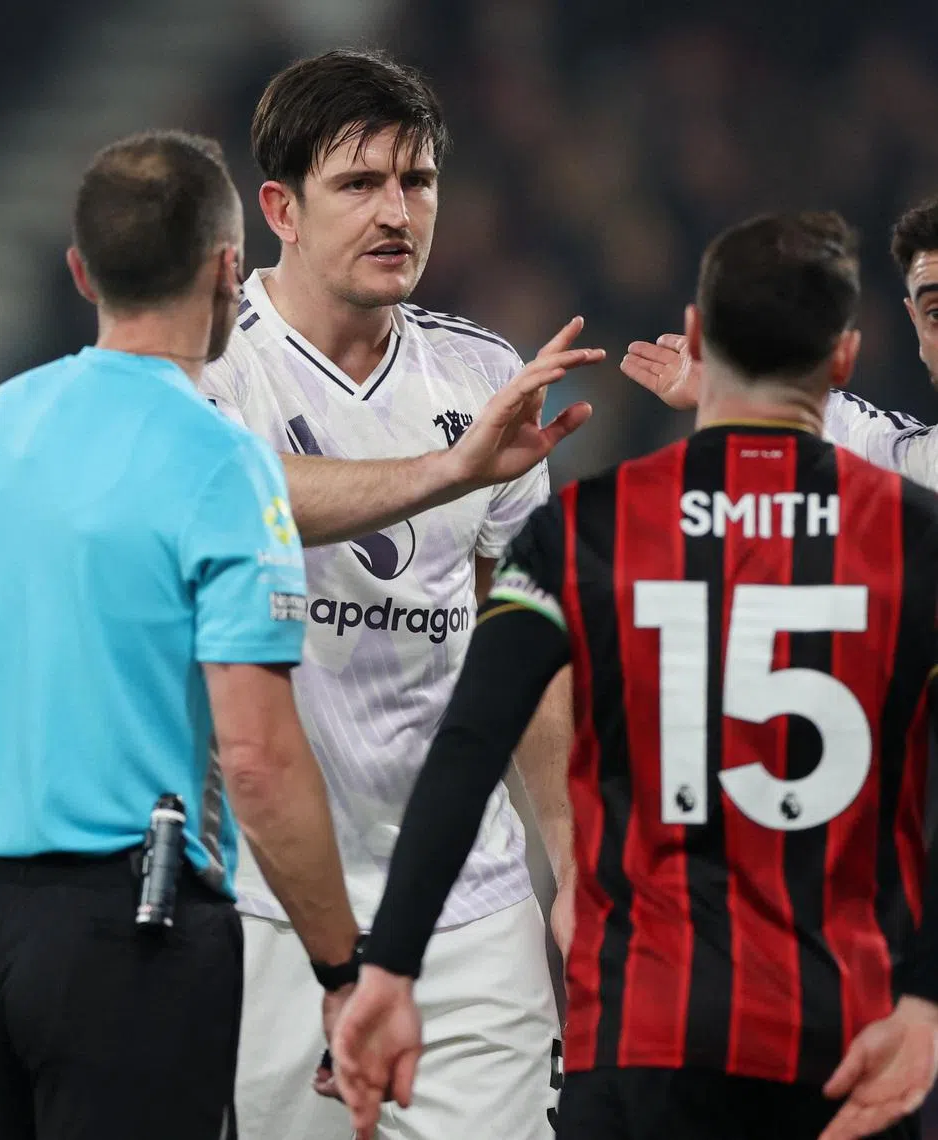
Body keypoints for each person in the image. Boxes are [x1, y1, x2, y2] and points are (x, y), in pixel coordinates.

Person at [333, 211, 938, 1140]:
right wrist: (928, 996)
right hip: (846, 1041)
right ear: (847, 360)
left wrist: (389, 968)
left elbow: (469, 742)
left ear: (696, 340)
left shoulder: (581, 533)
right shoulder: (918, 540)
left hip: (642, 1036)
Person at [0, 129, 361, 1140]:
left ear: (81, 270)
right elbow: (256, 757)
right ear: (230, 268)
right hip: (129, 937)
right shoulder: (222, 466)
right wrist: (341, 969)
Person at [199, 48, 605, 1140]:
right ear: (279, 205)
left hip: (466, 907)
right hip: (272, 903)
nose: (397, 213)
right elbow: (240, 497)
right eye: (361, 184)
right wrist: (448, 472)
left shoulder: (479, 376)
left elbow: (522, 639)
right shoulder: (210, 365)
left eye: (416, 183)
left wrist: (566, 855)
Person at [621, 196, 938, 491]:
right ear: (917, 324)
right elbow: (853, 438)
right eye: (936, 313)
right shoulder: (919, 466)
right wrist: (738, 383)